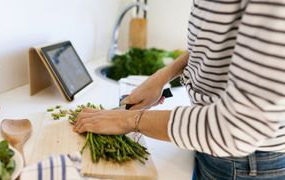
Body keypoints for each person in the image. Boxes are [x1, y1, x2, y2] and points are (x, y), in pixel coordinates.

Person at [74, 0, 285, 179]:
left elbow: (241, 127)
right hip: (208, 141)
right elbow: (214, 43)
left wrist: (130, 120)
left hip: (248, 161)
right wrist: (164, 75)